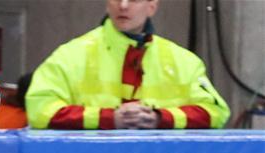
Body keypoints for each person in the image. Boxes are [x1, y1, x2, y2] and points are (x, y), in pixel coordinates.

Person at [26, 0, 230, 129]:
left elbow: (216, 113)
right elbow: (39, 109)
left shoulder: (183, 61)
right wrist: (109, 118)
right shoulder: (70, 55)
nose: (123, 5)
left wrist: (161, 119)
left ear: (152, 6)